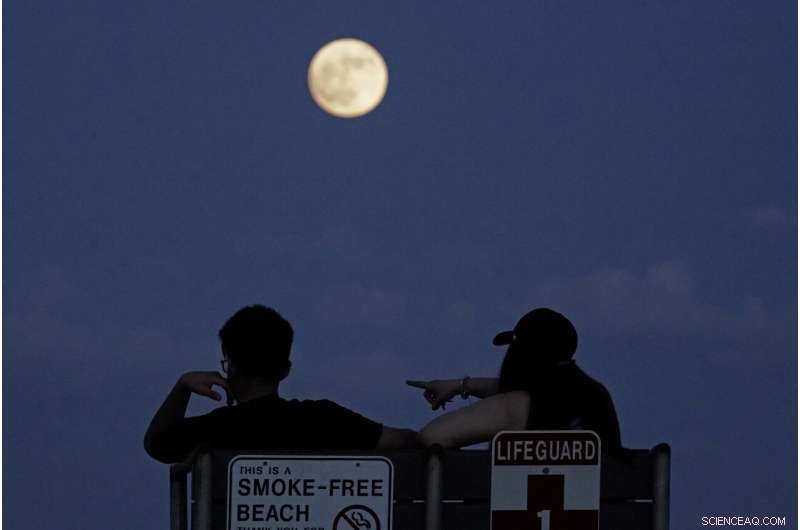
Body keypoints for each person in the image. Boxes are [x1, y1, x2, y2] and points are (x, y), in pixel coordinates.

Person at [145, 305, 418, 463]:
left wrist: (182, 387)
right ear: (285, 370)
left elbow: (157, 444)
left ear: (231, 367)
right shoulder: (324, 419)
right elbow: (406, 441)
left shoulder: (216, 430)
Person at [407, 308, 622, 451]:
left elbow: (432, 436)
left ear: (520, 355)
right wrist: (461, 385)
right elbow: (532, 390)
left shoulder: (520, 407)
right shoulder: (594, 396)